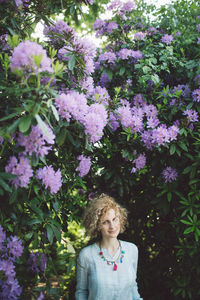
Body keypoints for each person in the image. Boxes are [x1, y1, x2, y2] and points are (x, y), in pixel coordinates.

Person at [75, 193, 143, 300]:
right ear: (97, 225)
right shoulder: (86, 255)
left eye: (115, 219)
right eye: (105, 222)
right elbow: (81, 292)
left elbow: (133, 288)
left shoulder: (132, 250)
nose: (112, 226)